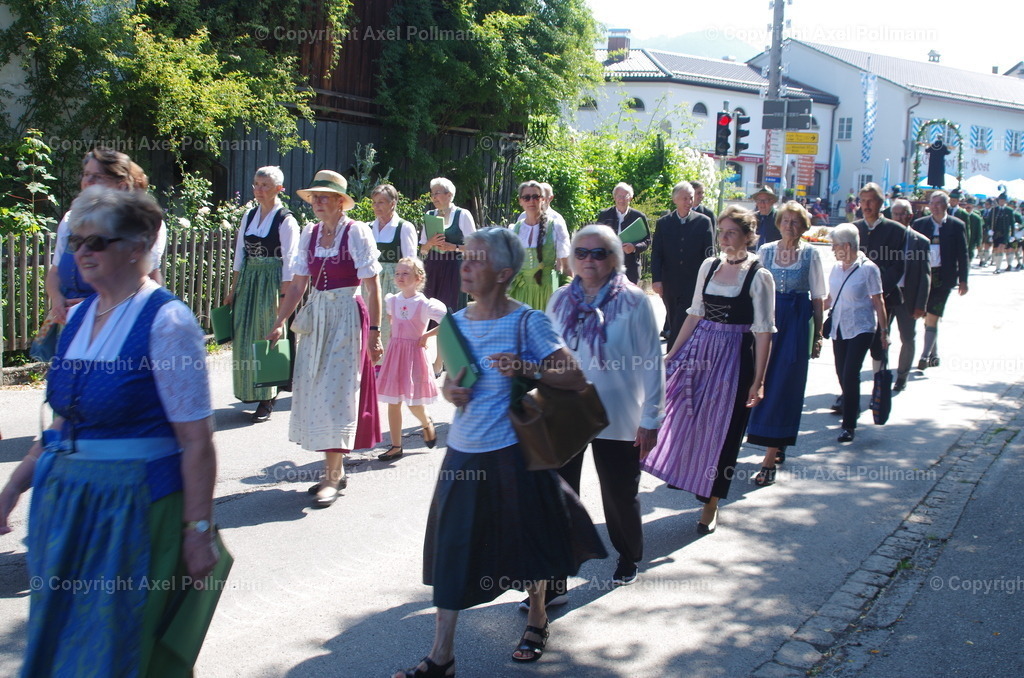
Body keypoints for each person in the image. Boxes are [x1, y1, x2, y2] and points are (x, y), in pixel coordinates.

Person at [0, 186, 219, 675]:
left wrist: (198, 530)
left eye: (97, 242)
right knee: (59, 640)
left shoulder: (167, 322)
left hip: (130, 511)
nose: (82, 252)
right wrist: (13, 487)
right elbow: (62, 425)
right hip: (65, 506)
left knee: (113, 648)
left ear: (137, 247)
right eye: (77, 241)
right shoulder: (77, 318)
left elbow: (196, 440)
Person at [394, 227, 605, 677]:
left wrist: (527, 367)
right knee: (452, 550)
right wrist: (450, 391)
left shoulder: (528, 321)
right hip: (463, 454)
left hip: (513, 452)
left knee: (528, 542)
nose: (465, 266)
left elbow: (573, 377)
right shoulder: (453, 322)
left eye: (477, 260)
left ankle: (537, 617)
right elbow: (452, 382)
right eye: (464, 258)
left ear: (504, 273)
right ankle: (441, 657)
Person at [643, 206, 775, 533]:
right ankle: (685, 473)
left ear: (748, 236)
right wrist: (672, 354)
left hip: (734, 356)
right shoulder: (710, 265)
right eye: (721, 232)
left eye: (731, 232)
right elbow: (694, 313)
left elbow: (763, 332)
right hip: (700, 350)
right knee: (683, 414)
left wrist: (758, 381)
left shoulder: (759, 274)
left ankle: (712, 501)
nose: (724, 238)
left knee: (726, 429)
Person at [546, 224, 663, 592]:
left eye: (599, 253)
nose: (589, 260)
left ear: (615, 258)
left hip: (619, 414)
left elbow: (652, 361)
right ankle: (557, 576)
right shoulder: (560, 299)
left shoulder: (634, 301)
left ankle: (628, 556)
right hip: (567, 413)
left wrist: (650, 418)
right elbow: (546, 352)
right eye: (581, 252)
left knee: (619, 493)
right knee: (561, 495)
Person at [268, 170, 383, 507]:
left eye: (324, 197)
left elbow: (373, 287)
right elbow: (299, 284)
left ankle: (331, 476)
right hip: (317, 317)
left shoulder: (357, 232)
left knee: (337, 392)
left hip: (347, 316)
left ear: (339, 201)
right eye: (314, 197)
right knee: (317, 389)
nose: (317, 202)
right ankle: (335, 469)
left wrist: (375, 332)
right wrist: (279, 321)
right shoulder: (310, 233)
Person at [746, 202, 826, 485]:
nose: (790, 226)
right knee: (756, 379)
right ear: (778, 223)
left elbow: (818, 298)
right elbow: (753, 290)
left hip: (794, 324)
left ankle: (770, 455)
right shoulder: (765, 251)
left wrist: (817, 335)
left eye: (796, 222)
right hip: (765, 321)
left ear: (804, 227)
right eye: (785, 221)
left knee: (784, 385)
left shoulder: (811, 255)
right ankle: (758, 436)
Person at [45, 148, 167, 324]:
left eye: (97, 176)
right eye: (86, 174)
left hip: (116, 320)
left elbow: (149, 278)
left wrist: (94, 305)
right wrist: (57, 300)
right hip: (67, 321)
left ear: (121, 184)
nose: (88, 181)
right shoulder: (71, 220)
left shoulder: (141, 225)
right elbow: (54, 272)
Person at [223, 166, 300, 422]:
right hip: (249, 278)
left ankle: (269, 396)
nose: (258, 190)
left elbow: (290, 262)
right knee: (245, 333)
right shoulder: (249, 215)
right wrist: (233, 289)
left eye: (265, 185)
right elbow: (239, 254)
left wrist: (283, 295)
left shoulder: (286, 219)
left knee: (268, 332)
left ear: (280, 189)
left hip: (272, 281)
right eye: (256, 184)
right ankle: (249, 388)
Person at [375, 257, 444, 462]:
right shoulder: (392, 300)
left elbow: (449, 322)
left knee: (413, 402)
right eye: (397, 273)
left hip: (414, 355)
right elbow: (392, 322)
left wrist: (427, 336)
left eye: (405, 273)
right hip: (395, 354)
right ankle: (396, 446)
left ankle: (426, 423)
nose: (400, 277)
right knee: (393, 402)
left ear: (418, 277)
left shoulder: (425, 304)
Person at [825, 224, 888, 443]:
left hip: (861, 328)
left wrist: (884, 331)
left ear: (847, 246)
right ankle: (852, 403)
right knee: (841, 373)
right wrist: (809, 309)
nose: (832, 250)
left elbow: (878, 302)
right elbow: (829, 299)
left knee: (851, 373)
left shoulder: (868, 269)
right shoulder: (835, 268)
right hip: (839, 327)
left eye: (835, 245)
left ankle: (849, 425)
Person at [651, 181, 716, 348]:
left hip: (693, 282)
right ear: (675, 200)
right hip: (669, 282)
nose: (688, 202)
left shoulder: (704, 222)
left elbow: (710, 254)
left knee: (683, 318)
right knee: (673, 319)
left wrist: (708, 280)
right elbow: (656, 253)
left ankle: (673, 357)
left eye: (691, 198)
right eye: (684, 198)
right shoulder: (664, 223)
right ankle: (680, 353)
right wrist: (656, 279)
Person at [853, 183, 909, 376]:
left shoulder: (896, 230)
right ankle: (848, 390)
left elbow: (898, 266)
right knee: (854, 345)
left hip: (883, 298)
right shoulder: (853, 230)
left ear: (880, 203)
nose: (866, 205)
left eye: (871, 201)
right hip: (855, 298)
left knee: (879, 343)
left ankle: (878, 387)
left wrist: (877, 290)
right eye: (863, 201)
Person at [912, 191, 969, 370]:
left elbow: (963, 253)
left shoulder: (956, 225)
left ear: (945, 205)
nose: (934, 207)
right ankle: (934, 353)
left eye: (938, 203)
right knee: (926, 316)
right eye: (932, 203)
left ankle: (924, 356)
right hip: (923, 277)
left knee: (933, 316)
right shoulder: (920, 224)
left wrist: (963, 280)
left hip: (944, 278)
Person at [369, 184, 418, 351]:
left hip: (394, 285)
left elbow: (410, 263)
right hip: (370, 285)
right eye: (374, 202)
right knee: (370, 325)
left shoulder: (404, 227)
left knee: (392, 328)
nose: (377, 206)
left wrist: (408, 292)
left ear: (393, 203)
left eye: (381, 202)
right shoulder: (368, 228)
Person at [888, 199, 931, 392]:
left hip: (908, 296)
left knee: (907, 337)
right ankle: (882, 373)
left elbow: (925, 275)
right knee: (881, 336)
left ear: (909, 216)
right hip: (887, 294)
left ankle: (902, 376)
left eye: (900, 214)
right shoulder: (886, 237)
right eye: (894, 214)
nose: (896, 218)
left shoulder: (920, 242)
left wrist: (921, 304)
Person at [508, 180, 570, 310]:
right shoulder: (516, 229)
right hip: (520, 292)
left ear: (543, 200)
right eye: (527, 197)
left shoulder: (555, 226)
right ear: (520, 201)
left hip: (546, 292)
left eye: (536, 197)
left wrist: (568, 297)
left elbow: (567, 268)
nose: (531, 201)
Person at [419, 177, 476, 312]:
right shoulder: (429, 215)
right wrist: (430, 243)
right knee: (430, 309)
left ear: (449, 195)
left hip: (454, 270)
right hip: (432, 269)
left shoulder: (462, 215)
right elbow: (423, 250)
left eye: (437, 193)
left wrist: (454, 247)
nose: (433, 197)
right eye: (432, 194)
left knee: (451, 309)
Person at [595, 182, 651, 284]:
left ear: (630, 198)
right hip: (608, 266)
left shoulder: (638, 216)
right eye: (619, 196)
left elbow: (647, 240)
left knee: (630, 298)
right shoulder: (604, 215)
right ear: (614, 197)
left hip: (631, 267)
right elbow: (596, 238)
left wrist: (634, 247)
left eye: (625, 196)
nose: (621, 199)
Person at [987, 192, 1014, 273]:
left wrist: (1012, 235)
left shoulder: (1009, 210)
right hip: (995, 233)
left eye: (1003, 200)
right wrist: (989, 230)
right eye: (1000, 200)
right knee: (995, 250)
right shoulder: (994, 210)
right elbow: (988, 222)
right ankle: (997, 265)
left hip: (1005, 233)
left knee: (1000, 248)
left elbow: (1012, 224)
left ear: (1005, 201)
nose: (1001, 202)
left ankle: (998, 268)